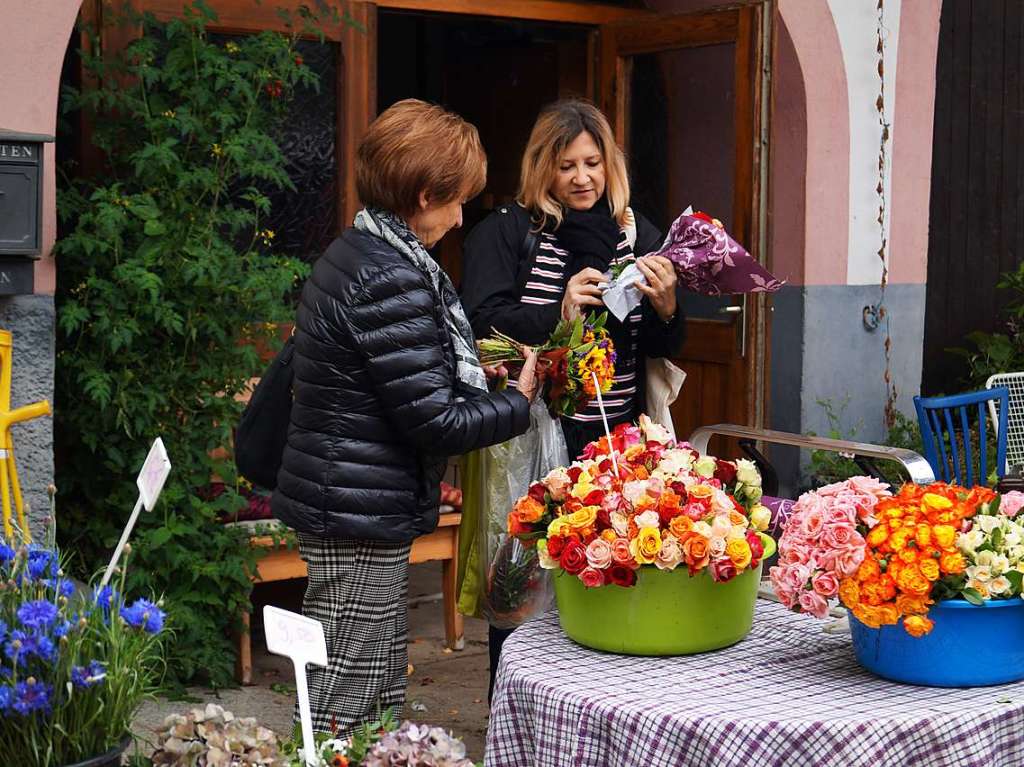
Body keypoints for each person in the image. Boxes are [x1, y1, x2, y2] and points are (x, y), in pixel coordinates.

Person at [272, 98, 539, 736]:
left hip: (352, 497)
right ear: (424, 194)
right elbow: (434, 424)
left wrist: (469, 378)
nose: (458, 217)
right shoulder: (391, 278)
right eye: (457, 201)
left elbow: (391, 382)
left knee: (368, 680)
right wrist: (520, 402)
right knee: (352, 698)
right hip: (357, 510)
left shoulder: (360, 250)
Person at [460, 98, 685, 700]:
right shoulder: (506, 232)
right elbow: (482, 323)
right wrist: (557, 311)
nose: (582, 178)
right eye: (566, 166)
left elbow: (659, 342)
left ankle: (597, 716)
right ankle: (511, 718)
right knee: (521, 590)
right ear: (542, 169)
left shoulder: (641, 235)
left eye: (593, 163)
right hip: (530, 439)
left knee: (610, 574)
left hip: (616, 440)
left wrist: (666, 306)